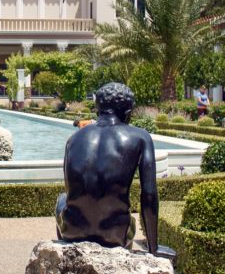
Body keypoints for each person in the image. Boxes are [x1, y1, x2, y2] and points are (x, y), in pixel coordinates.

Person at [55, 82, 172, 259]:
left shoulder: (74, 138)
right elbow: (149, 194)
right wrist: (153, 248)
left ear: (97, 109)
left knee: (62, 199)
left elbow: (71, 191)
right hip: (115, 235)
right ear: (127, 113)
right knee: (126, 217)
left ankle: (67, 256)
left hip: (72, 231)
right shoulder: (140, 137)